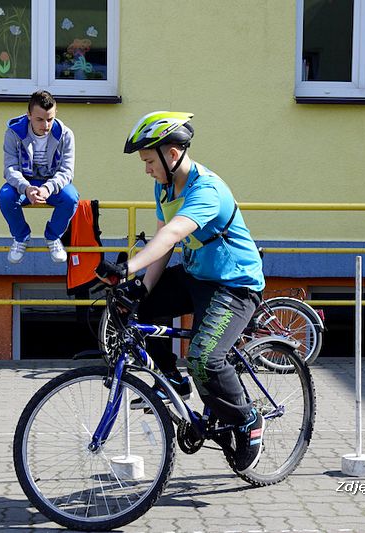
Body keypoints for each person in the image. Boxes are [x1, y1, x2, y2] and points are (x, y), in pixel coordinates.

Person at [96, 111, 267, 473]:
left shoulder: (206, 189)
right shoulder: (164, 187)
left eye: (148, 161)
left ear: (171, 155)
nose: (146, 169)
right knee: (134, 309)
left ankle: (249, 421)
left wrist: (127, 266)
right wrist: (139, 287)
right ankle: (173, 378)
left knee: (205, 359)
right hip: (196, 276)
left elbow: (172, 233)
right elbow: (164, 244)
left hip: (234, 285)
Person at [0, 90, 79, 263]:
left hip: (51, 185)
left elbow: (67, 171)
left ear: (55, 114)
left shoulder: (66, 135)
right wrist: (26, 188)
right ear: (29, 115)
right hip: (25, 184)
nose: (46, 125)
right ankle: (21, 237)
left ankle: (53, 237)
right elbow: (10, 168)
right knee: (5, 196)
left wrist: (47, 188)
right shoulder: (13, 133)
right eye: (40, 119)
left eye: (50, 119)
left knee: (71, 197)